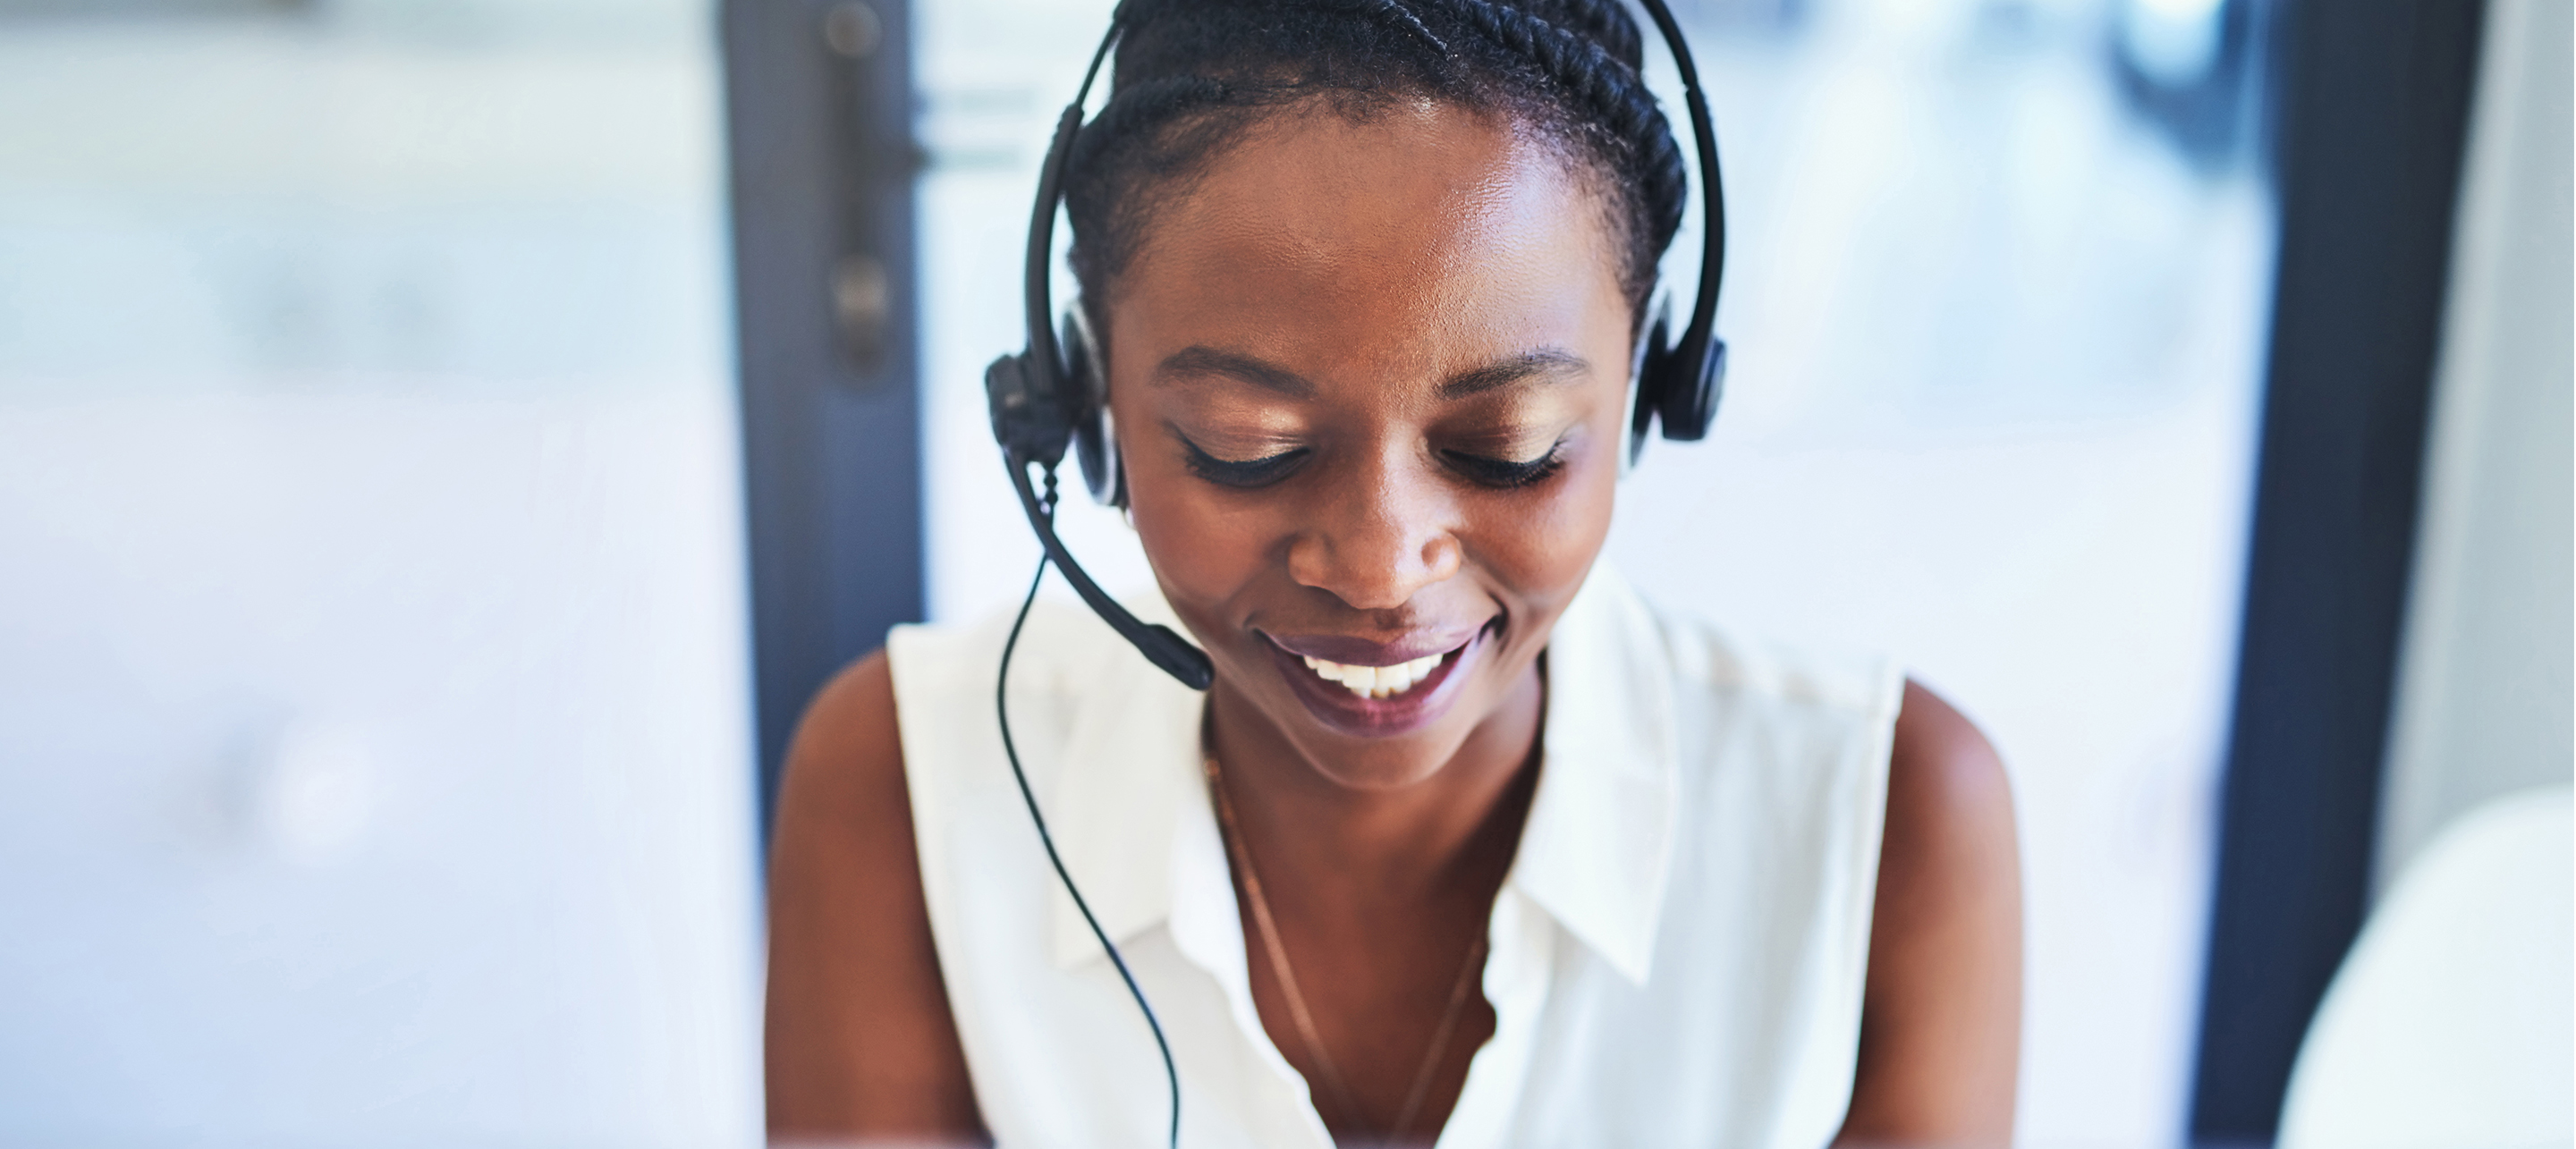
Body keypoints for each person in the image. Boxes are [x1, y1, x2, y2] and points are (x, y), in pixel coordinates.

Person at [764, 0, 2021, 1145]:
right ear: (1084, 398)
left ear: (1649, 388)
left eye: (1506, 449)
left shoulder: (1886, 828)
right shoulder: (908, 788)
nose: (1378, 565)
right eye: (1244, 449)